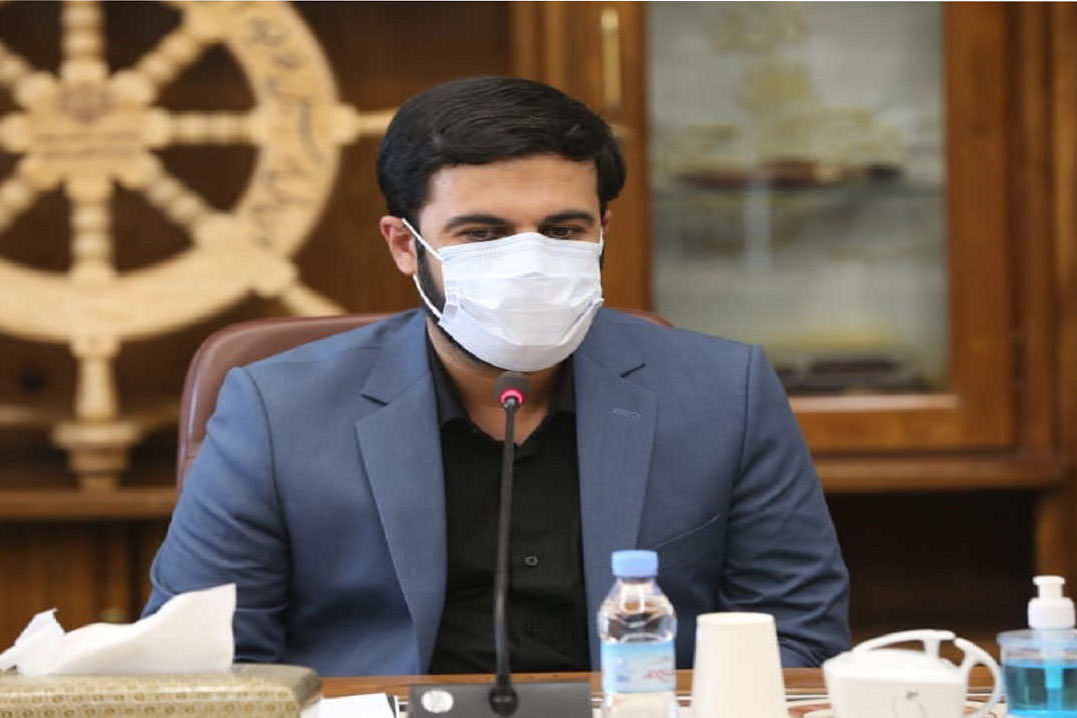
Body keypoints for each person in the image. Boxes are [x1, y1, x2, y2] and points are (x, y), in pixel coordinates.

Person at [144, 76, 850, 676]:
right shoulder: (276, 410)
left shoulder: (727, 392)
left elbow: (798, 638)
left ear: (603, 231)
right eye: (481, 234)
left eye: (563, 231)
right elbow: (204, 666)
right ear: (404, 245)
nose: (529, 261)